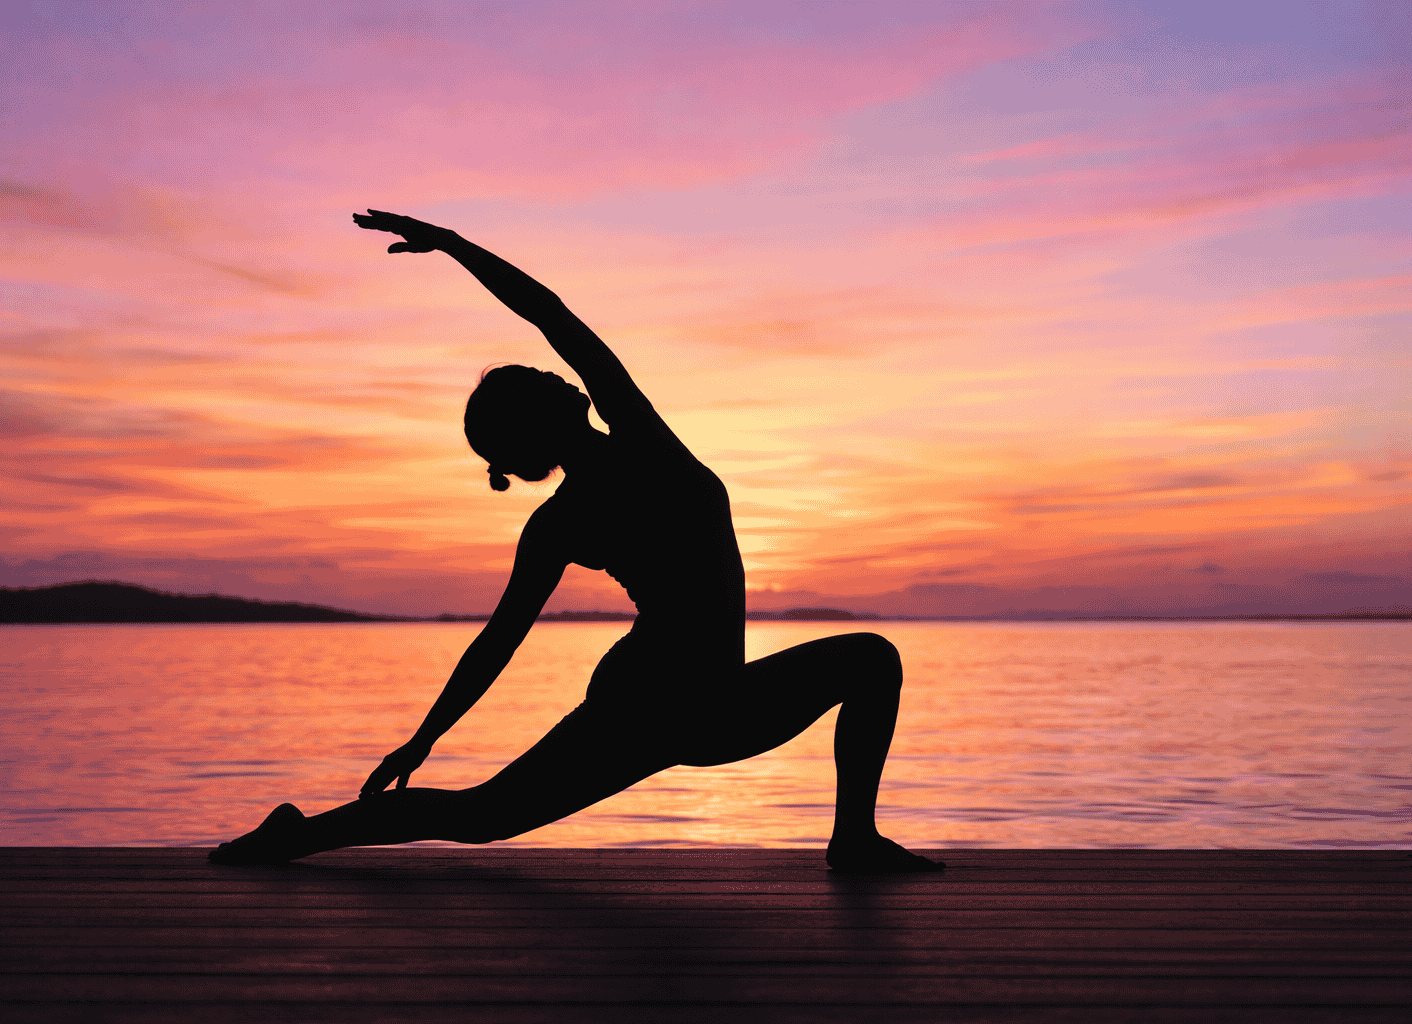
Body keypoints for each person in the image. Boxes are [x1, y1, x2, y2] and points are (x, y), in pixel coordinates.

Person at [208, 210, 942, 872]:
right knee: (485, 815)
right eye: (536, 379)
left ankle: (852, 839)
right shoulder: (629, 459)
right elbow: (497, 640)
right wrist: (423, 736)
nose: (554, 368)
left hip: (697, 698)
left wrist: (458, 248)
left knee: (484, 815)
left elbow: (550, 317)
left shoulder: (595, 486)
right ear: (543, 416)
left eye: (539, 370)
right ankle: (293, 836)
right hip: (662, 700)